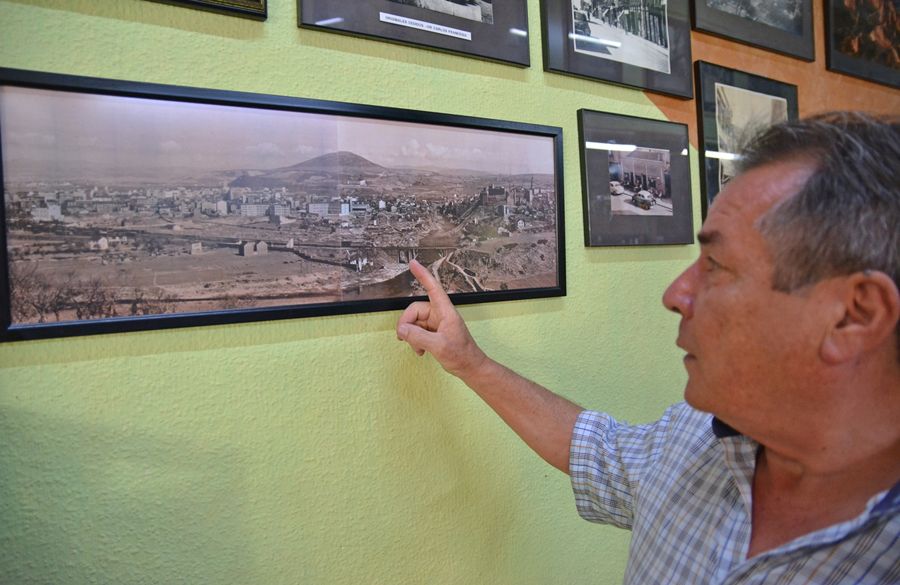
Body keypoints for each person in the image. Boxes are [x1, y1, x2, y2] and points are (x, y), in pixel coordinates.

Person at [396, 112, 899, 584]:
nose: (675, 294)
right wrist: (471, 363)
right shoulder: (696, 440)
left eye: (717, 266)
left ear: (854, 315)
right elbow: (594, 450)